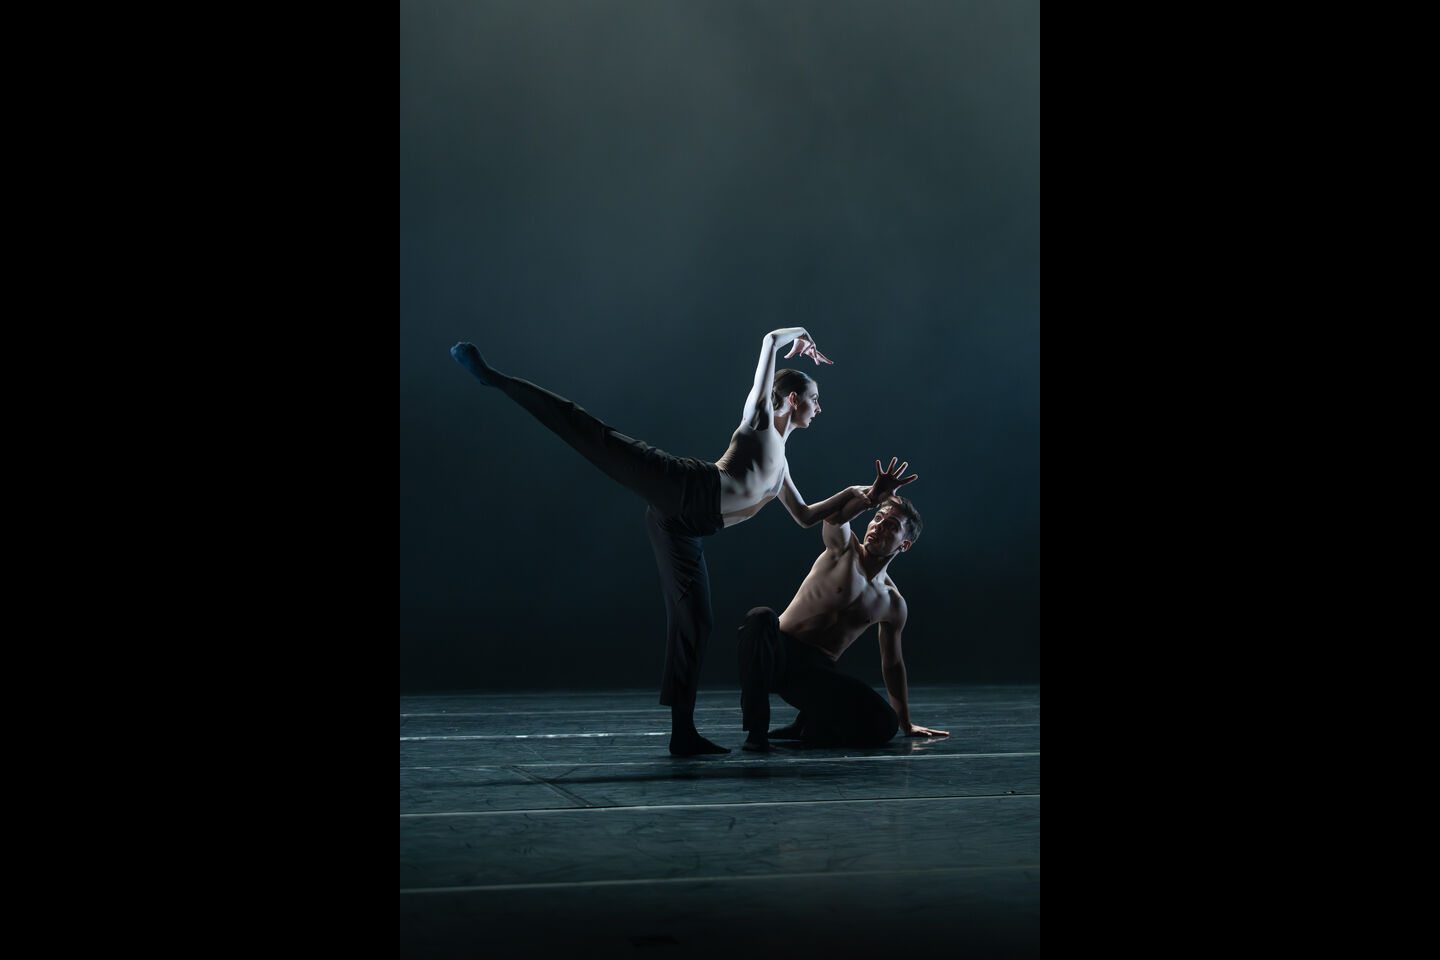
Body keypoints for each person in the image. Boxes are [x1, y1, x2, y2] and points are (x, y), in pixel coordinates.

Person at [450, 328, 887, 756]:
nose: (819, 408)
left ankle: (683, 734)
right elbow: (771, 340)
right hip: (685, 487)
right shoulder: (758, 423)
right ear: (792, 399)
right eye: (815, 399)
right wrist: (802, 334)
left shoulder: (782, 466)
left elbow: (806, 516)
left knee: (696, 621)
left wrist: (860, 494)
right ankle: (495, 378)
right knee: (597, 437)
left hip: (685, 527)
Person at [737, 481, 950, 751]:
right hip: (776, 653)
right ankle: (756, 733)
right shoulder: (844, 549)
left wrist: (905, 723)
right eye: (878, 518)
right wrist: (870, 498)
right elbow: (835, 518)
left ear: (904, 545)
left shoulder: (893, 602)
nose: (878, 527)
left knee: (885, 724)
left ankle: (810, 725)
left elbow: (893, 663)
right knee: (761, 617)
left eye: (891, 526)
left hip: (814, 673)